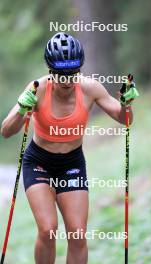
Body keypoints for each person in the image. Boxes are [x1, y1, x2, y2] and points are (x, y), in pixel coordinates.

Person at [1, 32, 138, 264]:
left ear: (79, 69)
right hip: (39, 163)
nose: (66, 80)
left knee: (77, 235)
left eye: (72, 74)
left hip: (71, 164)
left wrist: (127, 104)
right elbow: (6, 130)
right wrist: (22, 109)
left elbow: (124, 119)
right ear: (50, 70)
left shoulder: (90, 89)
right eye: (60, 74)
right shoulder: (38, 89)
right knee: (48, 230)